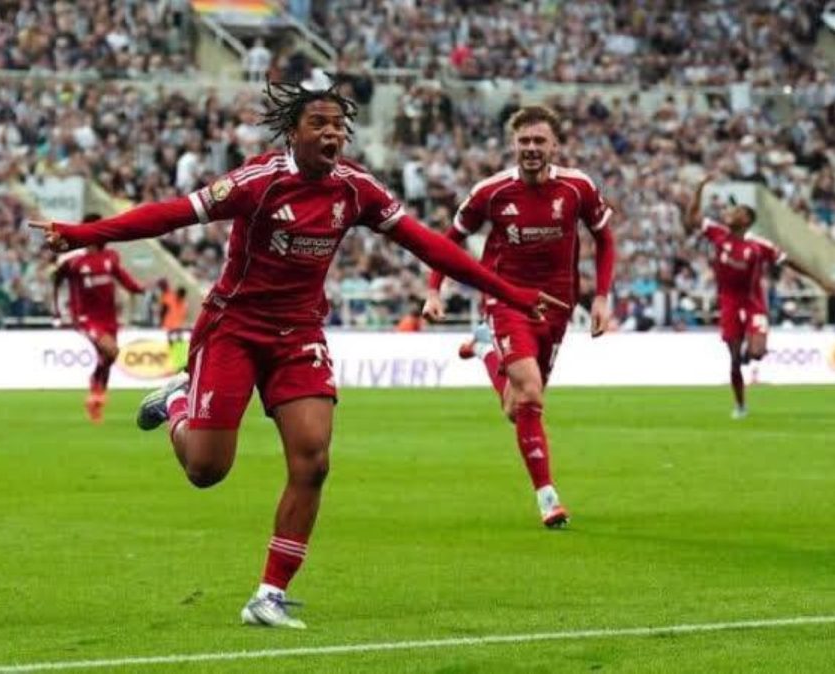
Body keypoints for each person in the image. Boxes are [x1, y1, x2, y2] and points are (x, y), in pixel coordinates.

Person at [31, 80, 565, 629]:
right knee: (206, 470)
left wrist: (509, 292)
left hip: (299, 334)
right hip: (234, 328)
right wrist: (82, 234)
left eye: (339, 125)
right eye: (319, 124)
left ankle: (269, 595)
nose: (332, 133)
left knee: (313, 461)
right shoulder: (258, 181)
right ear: (293, 132)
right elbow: (171, 215)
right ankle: (176, 403)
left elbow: (427, 243)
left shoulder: (356, 189)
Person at [422, 106, 616, 529]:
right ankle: (548, 498)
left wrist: (601, 297)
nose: (531, 148)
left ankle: (485, 350)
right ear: (513, 145)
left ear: (554, 146)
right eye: (524, 141)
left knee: (517, 407)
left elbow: (604, 238)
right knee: (530, 393)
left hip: (557, 306)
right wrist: (434, 289)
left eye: (539, 141)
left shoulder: (578, 187)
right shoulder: (491, 192)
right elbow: (449, 241)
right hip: (506, 300)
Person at [683, 177, 835, 418]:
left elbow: (790, 262)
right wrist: (700, 188)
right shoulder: (718, 234)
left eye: (737, 212)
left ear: (747, 221)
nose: (730, 213)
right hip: (729, 303)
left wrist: (821, 281)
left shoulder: (757, 246)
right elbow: (691, 219)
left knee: (758, 352)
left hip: (753, 303)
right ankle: (740, 405)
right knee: (734, 361)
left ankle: (748, 351)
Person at [53, 213, 146, 423]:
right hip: (86, 318)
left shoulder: (110, 257)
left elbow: (122, 277)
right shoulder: (74, 262)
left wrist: (138, 288)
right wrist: (58, 312)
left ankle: (96, 398)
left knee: (108, 357)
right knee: (111, 351)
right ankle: (96, 390)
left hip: (109, 317)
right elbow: (56, 281)